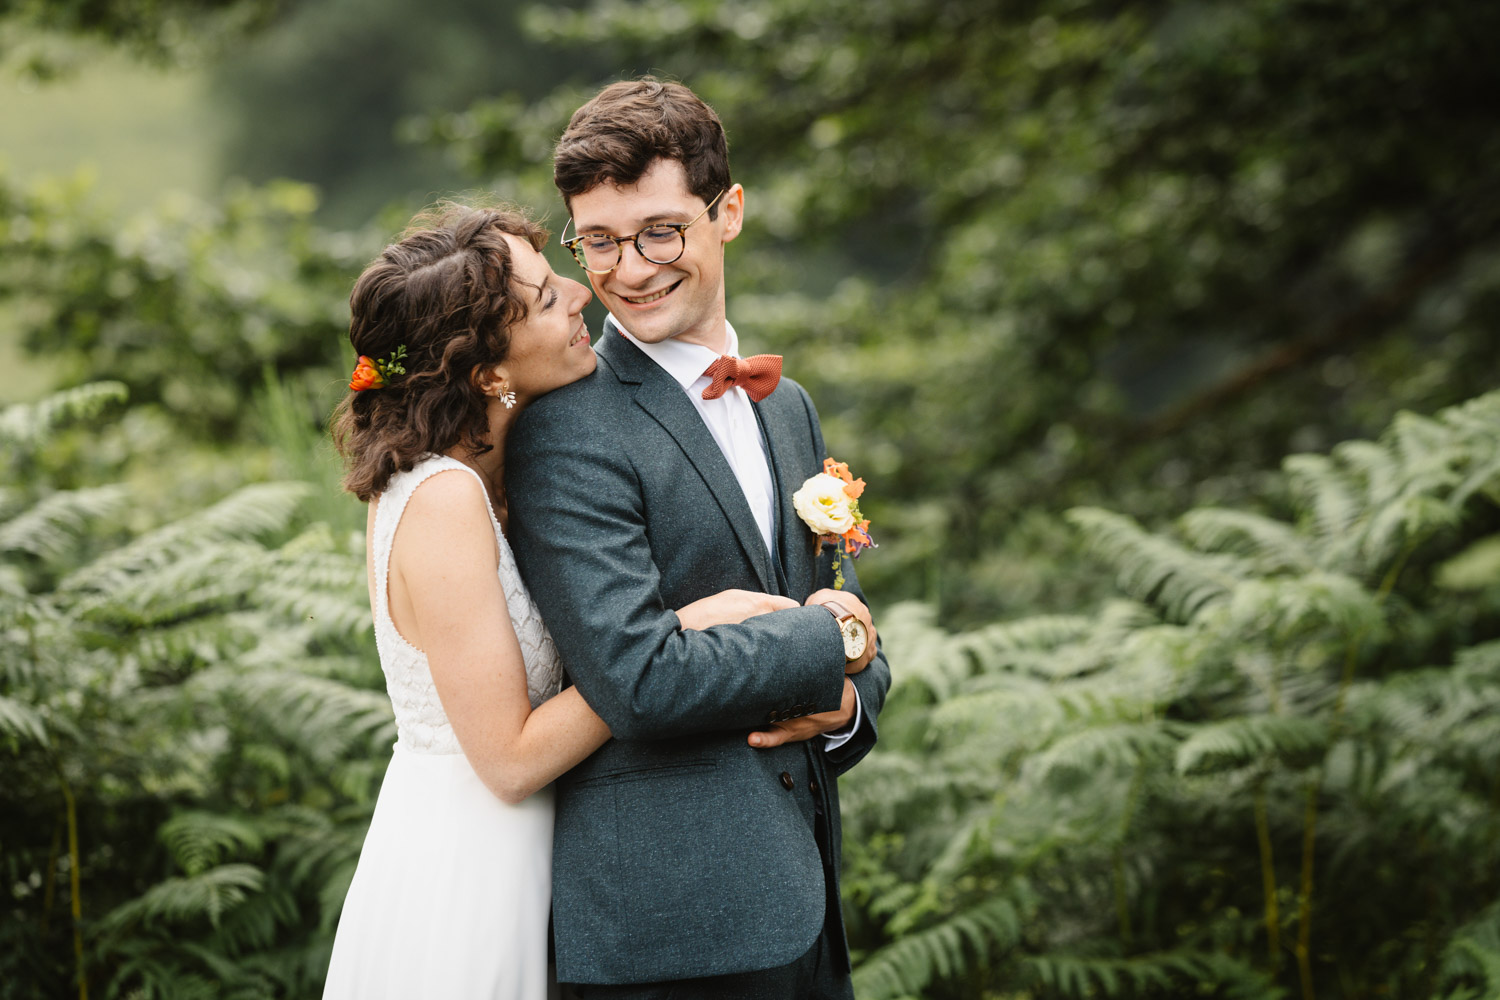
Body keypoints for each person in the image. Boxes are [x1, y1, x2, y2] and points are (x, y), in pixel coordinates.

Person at [321, 203, 800, 999]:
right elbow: (507, 761)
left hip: (554, 861)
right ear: (489, 375)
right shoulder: (439, 497)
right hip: (472, 875)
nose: (583, 293)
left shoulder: (489, 476)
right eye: (547, 299)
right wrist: (670, 636)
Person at [507, 78, 892, 999]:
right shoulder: (568, 428)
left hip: (803, 901)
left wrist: (846, 703)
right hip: (669, 932)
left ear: (730, 213)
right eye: (598, 240)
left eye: (659, 231)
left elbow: (835, 606)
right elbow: (636, 679)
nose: (629, 268)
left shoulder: (787, 406)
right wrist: (836, 642)